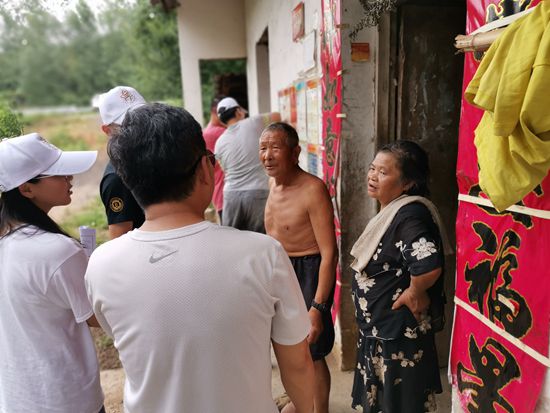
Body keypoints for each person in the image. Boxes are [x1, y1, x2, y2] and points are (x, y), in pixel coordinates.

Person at [85, 103, 315, 413]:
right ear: (206, 170)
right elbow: (298, 363)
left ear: (128, 180)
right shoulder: (263, 255)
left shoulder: (101, 265)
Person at [0, 133, 104, 413]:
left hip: (15, 398)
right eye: (58, 173)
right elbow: (98, 315)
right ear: (26, 189)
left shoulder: (9, 241)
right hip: (68, 399)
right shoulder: (58, 251)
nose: (70, 177)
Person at [349, 140, 451, 413]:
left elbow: (428, 265)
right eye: (372, 168)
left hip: (397, 337)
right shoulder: (393, 210)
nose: (372, 176)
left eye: (383, 172)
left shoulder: (410, 217)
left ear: (407, 183)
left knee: (400, 405)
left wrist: (415, 292)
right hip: (382, 333)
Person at [261, 122, 337, 413]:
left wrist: (318, 307)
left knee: (312, 351)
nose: (267, 155)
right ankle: (297, 398)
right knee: (288, 345)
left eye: (275, 148)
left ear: (295, 153)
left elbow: (329, 253)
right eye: (263, 148)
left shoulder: (312, 189)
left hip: (308, 271)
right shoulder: (272, 183)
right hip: (280, 270)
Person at [214, 96, 281, 232]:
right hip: (258, 193)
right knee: (259, 238)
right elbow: (277, 116)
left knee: (232, 238)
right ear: (238, 111)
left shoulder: (219, 142)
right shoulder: (254, 122)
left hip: (231, 195)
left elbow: (224, 169)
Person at [97, 85, 146, 239]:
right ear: (107, 130)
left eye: (144, 117)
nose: (140, 126)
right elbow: (120, 239)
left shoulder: (152, 154)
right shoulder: (117, 179)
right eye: (128, 124)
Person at [202, 95, 226, 221]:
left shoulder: (208, 132)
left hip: (222, 195)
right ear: (214, 111)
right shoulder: (215, 133)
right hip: (225, 195)